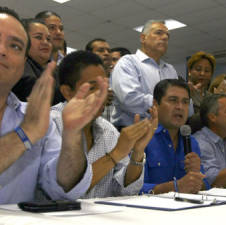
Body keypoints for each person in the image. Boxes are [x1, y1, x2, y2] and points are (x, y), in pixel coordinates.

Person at [0, 7, 107, 206]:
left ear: (23, 62)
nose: (0, 50)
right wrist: (24, 135)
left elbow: (62, 188)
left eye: (15, 46)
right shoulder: (33, 124)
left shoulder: (39, 119)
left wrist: (72, 136)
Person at [52, 50, 157, 198]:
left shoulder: (108, 130)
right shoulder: (50, 125)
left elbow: (125, 191)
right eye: (92, 88)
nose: (101, 95)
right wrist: (116, 154)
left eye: (104, 88)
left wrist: (137, 153)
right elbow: (63, 190)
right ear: (67, 92)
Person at [141, 79, 209, 194]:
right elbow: (131, 189)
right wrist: (175, 187)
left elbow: (205, 186)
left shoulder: (191, 142)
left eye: (185, 102)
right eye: (173, 100)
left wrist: (197, 176)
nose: (180, 107)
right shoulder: (142, 139)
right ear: (155, 104)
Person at [111, 20, 178, 128]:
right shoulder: (128, 62)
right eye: (159, 33)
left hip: (165, 133)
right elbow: (129, 99)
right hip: (133, 133)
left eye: (167, 35)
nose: (165, 37)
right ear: (143, 38)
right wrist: (166, 104)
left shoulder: (170, 70)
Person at [12, 18, 52, 101]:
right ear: (22, 39)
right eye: (38, 37)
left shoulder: (53, 70)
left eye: (48, 39)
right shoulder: (22, 71)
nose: (45, 42)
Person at [85, 38, 115, 122]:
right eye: (101, 50)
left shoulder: (117, 78)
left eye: (109, 51)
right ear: (89, 54)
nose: (106, 53)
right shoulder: (82, 78)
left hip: (113, 130)